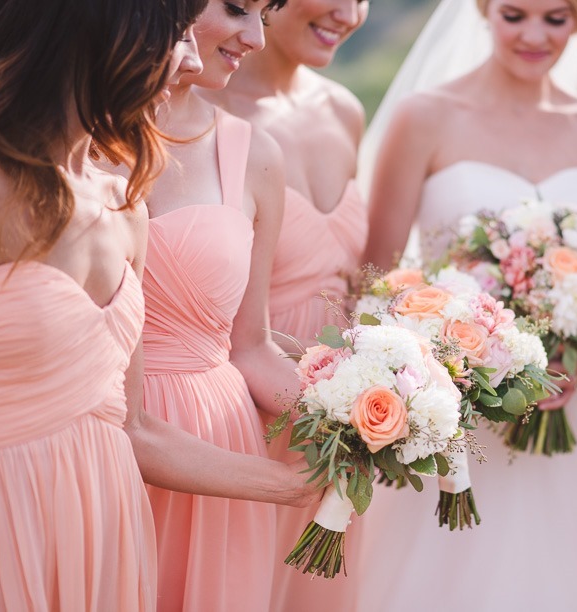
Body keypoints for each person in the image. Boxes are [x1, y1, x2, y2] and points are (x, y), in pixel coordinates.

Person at [356, 0, 577, 609]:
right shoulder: (424, 118)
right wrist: (462, 361)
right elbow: (379, 275)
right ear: (484, 12)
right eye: (514, 15)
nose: (534, 35)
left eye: (556, 18)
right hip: (455, 403)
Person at [0, 0, 194, 608]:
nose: (189, 59)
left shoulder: (126, 207)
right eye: (175, 35)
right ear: (110, 29)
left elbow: (130, 426)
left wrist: (298, 482)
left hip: (107, 529)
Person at [136, 1, 317, 610]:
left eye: (265, 13)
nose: (257, 38)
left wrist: (362, 416)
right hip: (108, 448)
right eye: (238, 8)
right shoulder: (72, 141)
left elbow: (252, 346)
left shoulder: (255, 153)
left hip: (225, 446)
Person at [203, 1, 370, 609]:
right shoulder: (201, 110)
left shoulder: (343, 110)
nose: (349, 14)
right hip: (241, 413)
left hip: (345, 420)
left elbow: (363, 279)